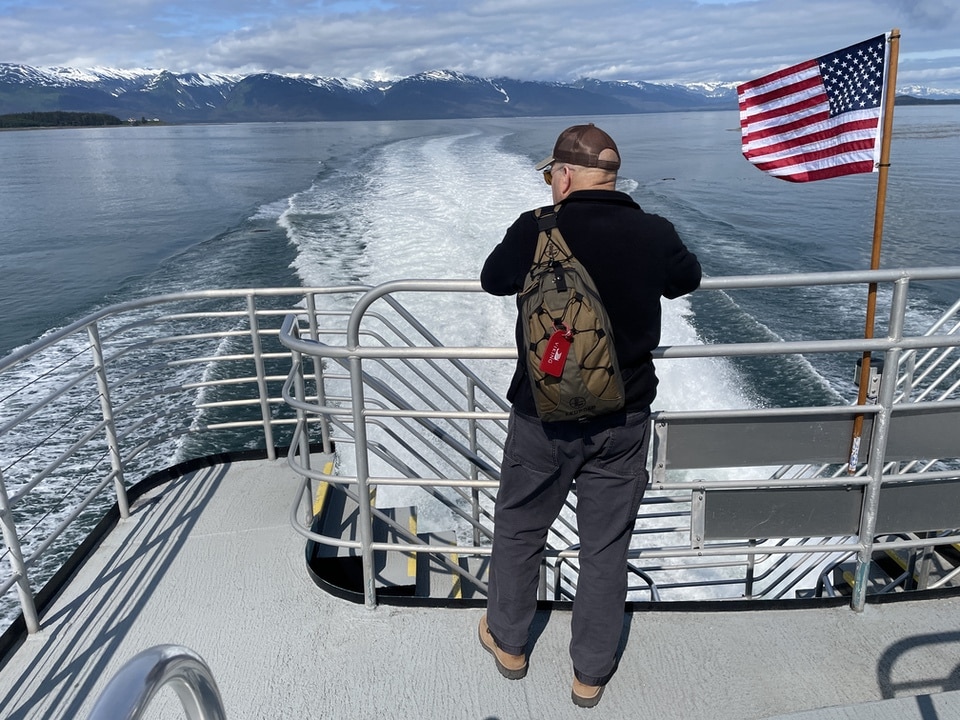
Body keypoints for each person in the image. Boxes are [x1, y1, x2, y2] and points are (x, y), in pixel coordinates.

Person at [478, 123, 701, 708]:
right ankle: (590, 673)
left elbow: (493, 280)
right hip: (623, 418)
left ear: (564, 175)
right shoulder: (652, 232)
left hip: (542, 416)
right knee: (604, 545)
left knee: (522, 525)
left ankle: (508, 642)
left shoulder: (537, 228)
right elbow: (687, 279)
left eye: (552, 174)